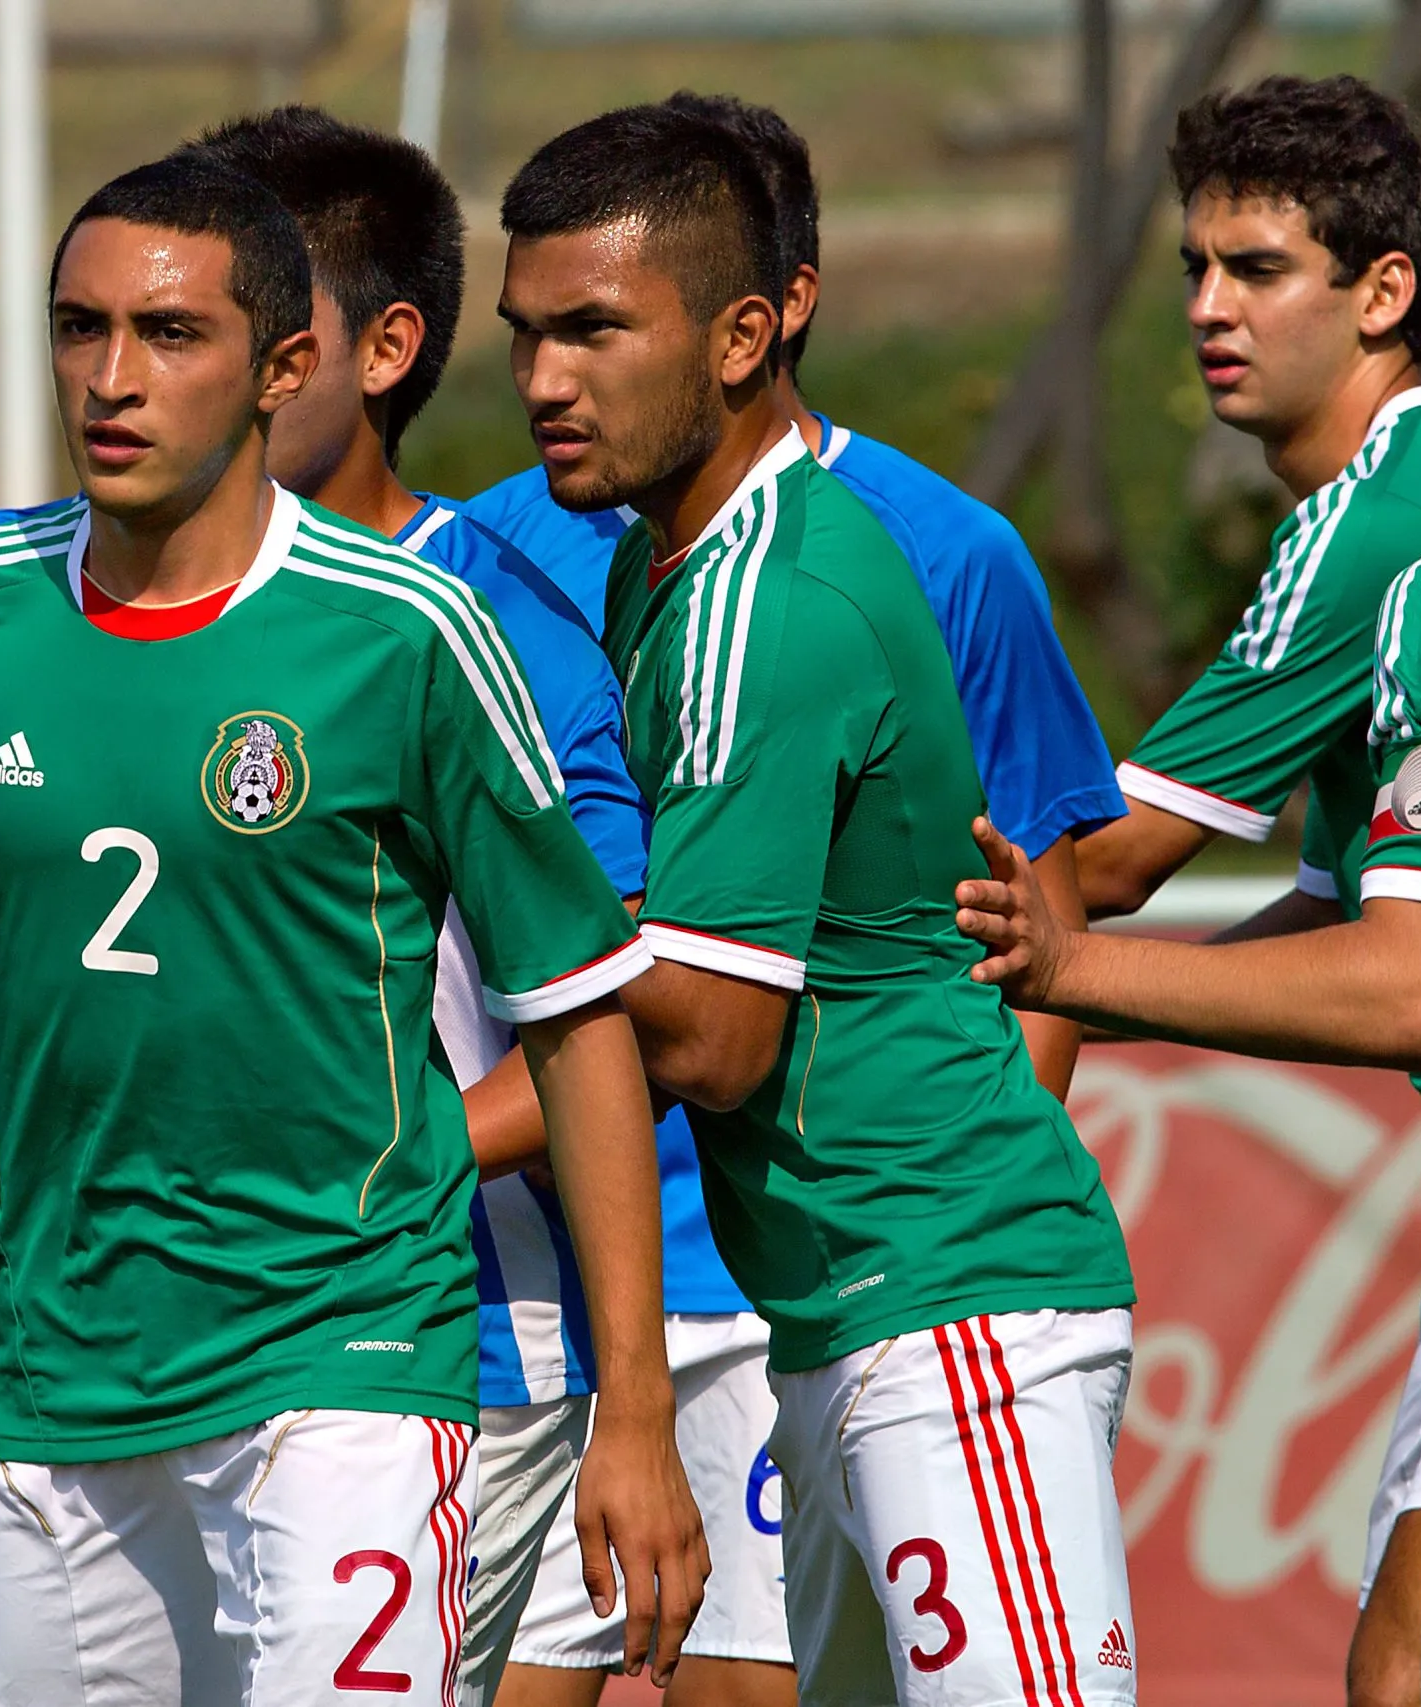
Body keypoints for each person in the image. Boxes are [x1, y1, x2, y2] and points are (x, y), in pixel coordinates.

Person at [0, 155, 705, 1705]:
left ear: (280, 370)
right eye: (80, 328)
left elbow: (590, 1020)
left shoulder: (407, 629)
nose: (111, 378)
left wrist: (640, 1412)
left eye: (170, 336)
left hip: (343, 1375)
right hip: (57, 1383)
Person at [463, 91, 1126, 1707]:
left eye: (597, 331)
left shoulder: (774, 598)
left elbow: (711, 1038)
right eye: (528, 335)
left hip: (950, 1308)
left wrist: (392, 1126)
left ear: (750, 332)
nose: (546, 380)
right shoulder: (661, 562)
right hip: (839, 1306)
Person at [1048, 74, 1421, 1707]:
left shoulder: (1382, 525)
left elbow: (1100, 871)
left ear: (1383, 294)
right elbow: (1349, 927)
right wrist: (1073, 982)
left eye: (1260, 268)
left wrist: (1025, 973)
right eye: (1195, 265)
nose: (1208, 307)